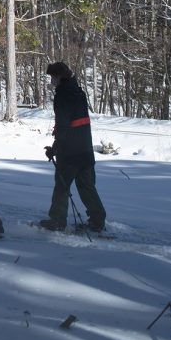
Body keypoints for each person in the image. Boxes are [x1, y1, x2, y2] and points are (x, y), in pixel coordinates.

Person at [39, 61, 107, 232]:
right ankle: (98, 220)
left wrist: (55, 148)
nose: (51, 81)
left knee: (62, 187)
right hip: (85, 149)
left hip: (69, 152)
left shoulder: (62, 96)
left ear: (60, 77)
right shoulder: (79, 92)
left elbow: (63, 126)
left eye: (53, 77)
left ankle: (57, 221)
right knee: (87, 187)